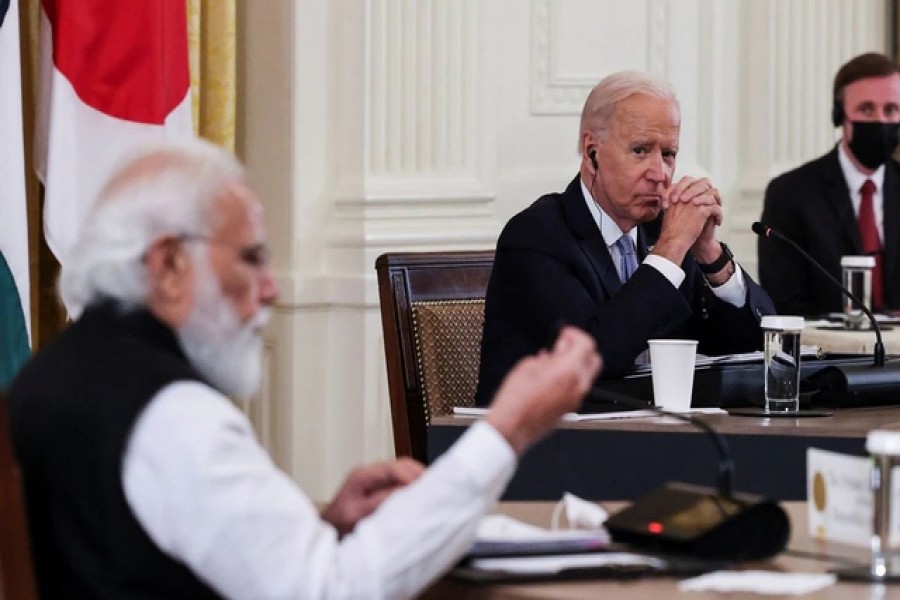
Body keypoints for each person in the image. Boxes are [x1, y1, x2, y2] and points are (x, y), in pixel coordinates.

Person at [6, 139, 602, 599]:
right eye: (251, 258)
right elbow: (332, 590)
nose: (269, 289)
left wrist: (320, 521)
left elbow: (139, 541)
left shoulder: (56, 374)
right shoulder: (170, 414)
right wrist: (506, 432)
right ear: (167, 265)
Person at [475, 70, 774, 405]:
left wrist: (711, 256)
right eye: (640, 150)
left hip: (652, 439)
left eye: (668, 154)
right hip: (548, 443)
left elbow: (756, 348)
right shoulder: (536, 237)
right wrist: (670, 250)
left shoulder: (664, 232)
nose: (660, 173)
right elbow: (594, 359)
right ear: (592, 153)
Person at [759, 52, 900, 316]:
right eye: (866, 109)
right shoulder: (790, 194)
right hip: (829, 354)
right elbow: (784, 302)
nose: (880, 121)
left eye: (891, 110)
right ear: (839, 115)